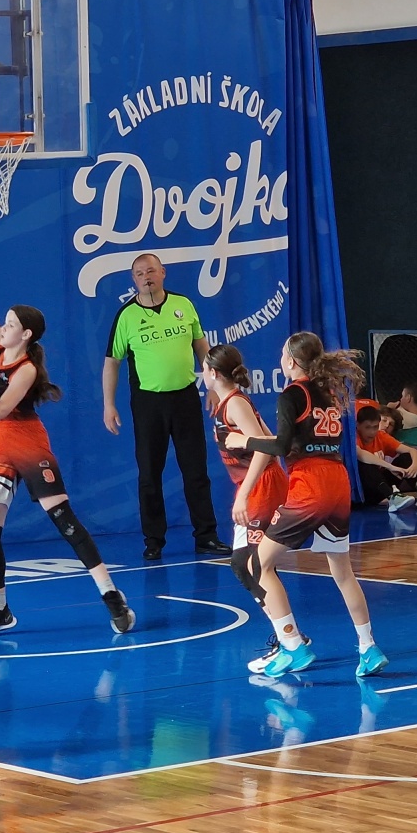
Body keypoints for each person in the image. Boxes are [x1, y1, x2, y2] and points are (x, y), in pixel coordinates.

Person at [0, 225, 135, 640]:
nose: (3, 326)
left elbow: (2, 408)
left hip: (28, 442)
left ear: (26, 334)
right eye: (5, 322)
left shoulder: (27, 369)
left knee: (64, 520)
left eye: (10, 323)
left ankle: (111, 594)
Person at [223, 332, 387, 680]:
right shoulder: (329, 393)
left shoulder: (292, 394)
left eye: (283, 353)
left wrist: (243, 440)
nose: (280, 358)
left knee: (257, 565)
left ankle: (293, 646)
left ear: (292, 361)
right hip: (338, 482)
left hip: (311, 486)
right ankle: (368, 647)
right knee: (343, 573)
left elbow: (282, 447)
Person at [101, 253, 228, 561]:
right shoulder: (126, 316)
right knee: (149, 473)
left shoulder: (183, 305)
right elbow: (112, 362)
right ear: (134, 280)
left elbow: (202, 346)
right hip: (148, 403)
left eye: (151, 271)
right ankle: (153, 540)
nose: (146, 277)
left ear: (163, 273)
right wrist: (108, 404)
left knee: (196, 470)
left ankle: (206, 536)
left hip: (185, 397)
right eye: (139, 273)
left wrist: (212, 386)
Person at [203, 343, 291, 581]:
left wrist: (244, 496)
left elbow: (264, 450)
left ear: (214, 373)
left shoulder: (235, 403)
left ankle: (276, 607)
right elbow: (269, 440)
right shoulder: (231, 402)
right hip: (256, 483)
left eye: (204, 368)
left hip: (262, 485)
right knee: (248, 564)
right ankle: (274, 605)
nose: (202, 373)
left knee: (252, 564)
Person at [354, 403, 417, 510]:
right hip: (365, 487)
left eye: (375, 427)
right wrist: (390, 467)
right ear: (358, 425)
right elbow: (360, 454)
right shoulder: (354, 436)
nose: (372, 432)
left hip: (382, 483)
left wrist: (415, 465)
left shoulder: (381, 435)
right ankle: (391, 497)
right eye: (367, 427)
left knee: (406, 457)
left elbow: (411, 450)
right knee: (366, 465)